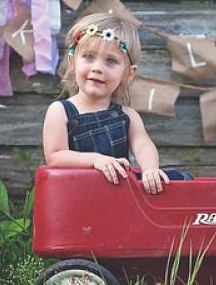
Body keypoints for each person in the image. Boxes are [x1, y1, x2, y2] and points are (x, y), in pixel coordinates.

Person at [43, 12, 189, 194]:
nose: (97, 68)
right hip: (77, 194)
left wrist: (150, 169)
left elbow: (143, 144)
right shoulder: (60, 111)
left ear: (129, 74)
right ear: (72, 62)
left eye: (111, 61)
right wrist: (95, 160)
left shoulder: (127, 116)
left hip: (118, 193)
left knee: (180, 179)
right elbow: (55, 156)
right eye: (88, 56)